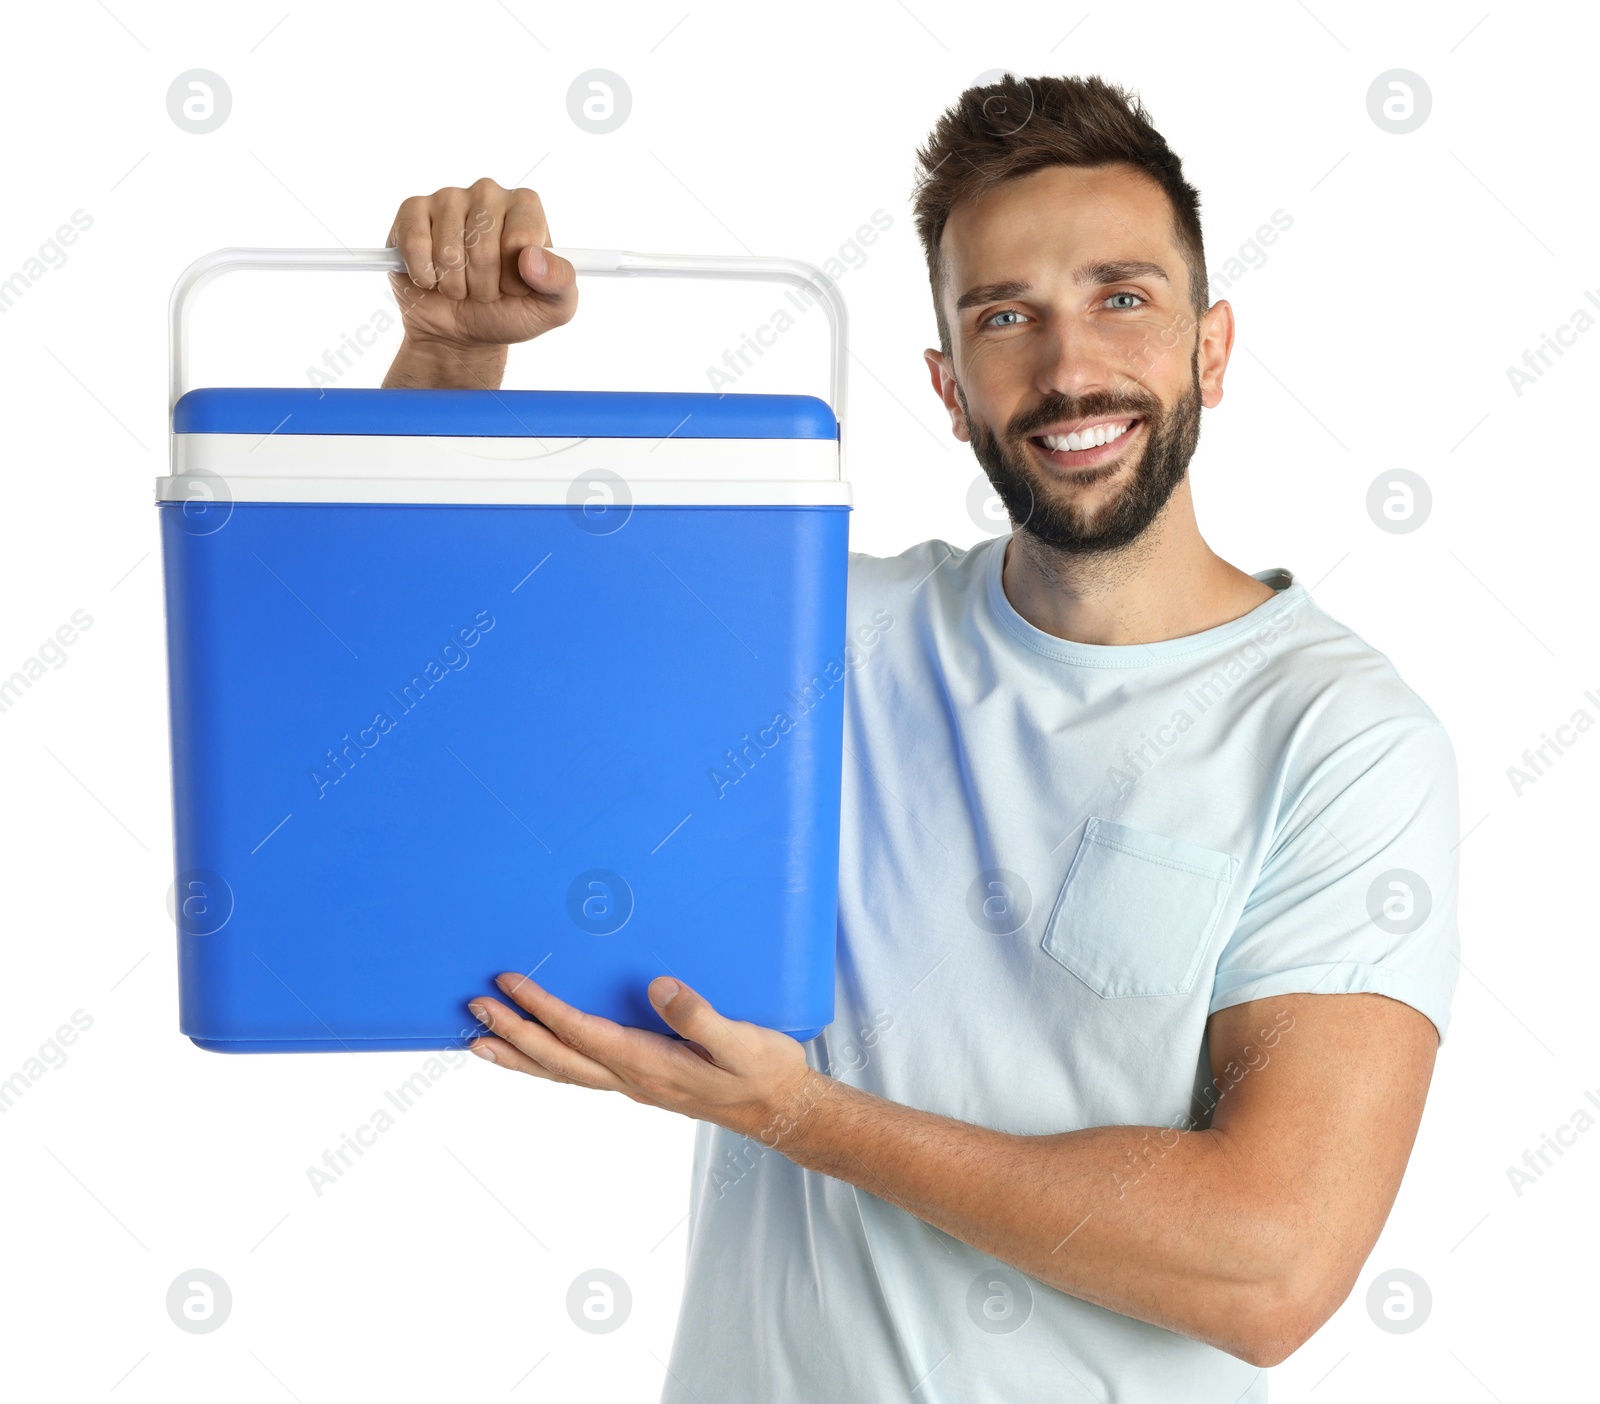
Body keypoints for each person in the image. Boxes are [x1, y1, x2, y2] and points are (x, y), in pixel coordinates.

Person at [382, 74, 1457, 1404]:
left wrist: (802, 1121)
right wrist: (450, 356)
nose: (1069, 369)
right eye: (1007, 318)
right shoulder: (811, 634)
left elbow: (1271, 1264)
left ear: (1212, 348)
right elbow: (414, 704)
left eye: (1122, 297)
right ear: (949, 384)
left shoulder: (1337, 738)